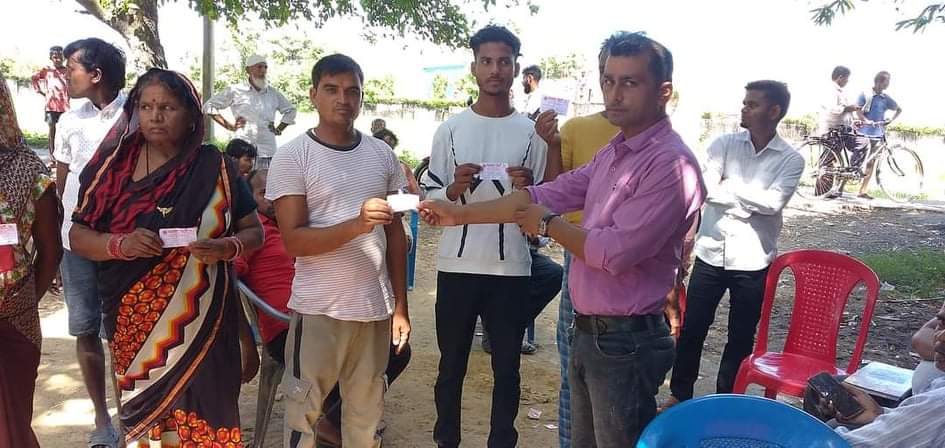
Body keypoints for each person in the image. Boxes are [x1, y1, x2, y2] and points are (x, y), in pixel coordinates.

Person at [420, 31, 704, 446]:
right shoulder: (616, 152)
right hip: (592, 332)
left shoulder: (669, 165)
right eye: (608, 80)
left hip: (627, 339)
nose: (615, 94)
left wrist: (548, 224)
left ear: (663, 92)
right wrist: (458, 214)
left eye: (630, 82)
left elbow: (613, 252)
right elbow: (546, 193)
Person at [68, 68, 263, 447]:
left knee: (209, 422)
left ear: (191, 116)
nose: (155, 116)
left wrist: (228, 247)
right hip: (137, 325)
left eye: (168, 107)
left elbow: (254, 231)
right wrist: (120, 245)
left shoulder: (216, 167)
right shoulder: (113, 168)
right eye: (146, 107)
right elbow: (78, 236)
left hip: (206, 324)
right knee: (149, 424)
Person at [266, 53, 410, 448]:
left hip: (373, 310)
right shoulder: (293, 155)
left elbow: (396, 236)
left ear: (362, 98)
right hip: (318, 309)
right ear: (313, 94)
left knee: (366, 417)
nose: (342, 99)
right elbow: (294, 240)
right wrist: (357, 225)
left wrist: (400, 306)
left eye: (352, 91)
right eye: (331, 89)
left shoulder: (382, 155)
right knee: (303, 416)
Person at [418, 25, 547, 448]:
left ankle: (502, 441)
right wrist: (454, 188)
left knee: (507, 368)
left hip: (512, 268)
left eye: (503, 61)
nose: (495, 70)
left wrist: (530, 186)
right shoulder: (451, 130)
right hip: (457, 266)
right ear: (473, 67)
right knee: (451, 366)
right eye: (487, 61)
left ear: (515, 68)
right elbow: (430, 195)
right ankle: (446, 441)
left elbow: (547, 198)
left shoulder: (531, 133)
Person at [237, 169, 412, 447]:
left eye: (278, 191)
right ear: (251, 198)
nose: (272, 198)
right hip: (288, 326)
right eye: (263, 193)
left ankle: (334, 417)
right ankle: (331, 423)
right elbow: (231, 280)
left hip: (327, 313)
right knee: (339, 353)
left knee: (394, 349)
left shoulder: (305, 224)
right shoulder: (256, 234)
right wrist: (246, 340)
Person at [664, 81, 804, 410]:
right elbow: (706, 188)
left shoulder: (791, 159)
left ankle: (726, 399)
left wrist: (730, 188)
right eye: (745, 102)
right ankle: (679, 394)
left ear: (774, 111)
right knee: (693, 328)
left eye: (752, 104)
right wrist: (748, 199)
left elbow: (773, 203)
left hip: (753, 259)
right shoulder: (723, 144)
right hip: (711, 252)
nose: (744, 108)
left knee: (740, 336)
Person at [53, 37, 128, 448]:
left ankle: (131, 415)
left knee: (123, 329)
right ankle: (102, 419)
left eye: (71, 70)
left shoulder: (135, 114)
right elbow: (62, 180)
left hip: (121, 240)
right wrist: (56, 234)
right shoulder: (69, 121)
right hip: (75, 241)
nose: (65, 76)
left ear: (96, 75)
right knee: (85, 327)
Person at [0, 73, 63, 448]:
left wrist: (23, 301)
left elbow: (51, 250)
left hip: (15, 319)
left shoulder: (27, 170)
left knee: (12, 425)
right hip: (18, 310)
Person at [829, 307, 945, 447]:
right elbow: (920, 338)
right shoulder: (939, 387)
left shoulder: (939, 401)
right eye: (943, 324)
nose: (941, 336)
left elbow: (836, 444)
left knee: (830, 424)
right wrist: (879, 414)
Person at [203, 54, 297, 169]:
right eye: (259, 67)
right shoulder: (235, 90)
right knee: (240, 178)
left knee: (265, 178)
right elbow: (209, 106)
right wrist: (229, 126)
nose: (263, 70)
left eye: (265, 67)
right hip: (242, 150)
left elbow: (291, 110)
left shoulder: (273, 93)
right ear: (248, 70)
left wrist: (279, 129)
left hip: (267, 150)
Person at [853, 71, 902, 199]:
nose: (888, 84)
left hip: (877, 134)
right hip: (863, 133)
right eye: (887, 81)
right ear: (880, 81)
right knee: (855, 163)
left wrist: (890, 120)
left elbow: (899, 109)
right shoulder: (865, 94)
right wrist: (866, 120)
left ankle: (862, 191)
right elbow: (858, 110)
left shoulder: (885, 98)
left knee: (871, 162)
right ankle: (840, 188)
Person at [31, 45, 70, 156]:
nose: (57, 59)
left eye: (60, 57)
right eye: (55, 57)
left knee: (64, 131)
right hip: (51, 106)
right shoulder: (47, 70)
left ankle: (63, 156)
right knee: (52, 130)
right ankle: (52, 155)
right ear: (51, 58)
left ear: (63, 58)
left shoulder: (67, 70)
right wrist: (40, 91)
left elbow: (72, 84)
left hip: (65, 107)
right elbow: (34, 78)